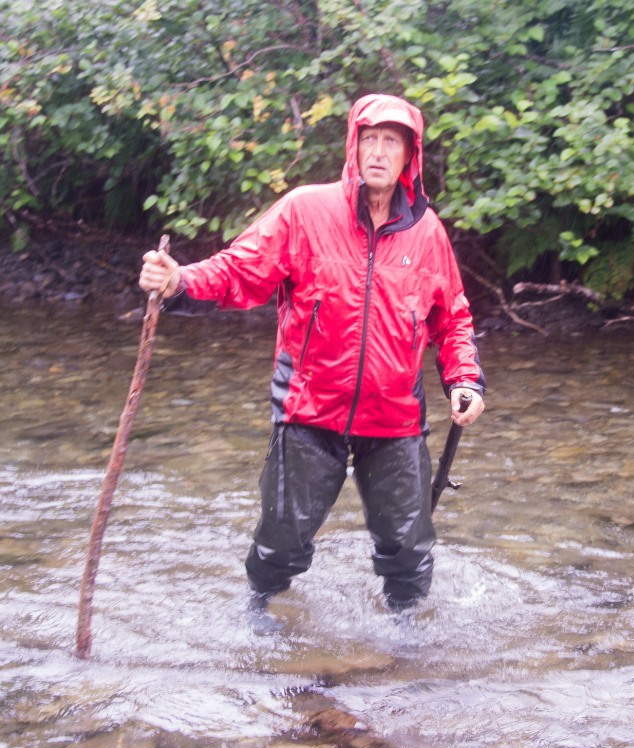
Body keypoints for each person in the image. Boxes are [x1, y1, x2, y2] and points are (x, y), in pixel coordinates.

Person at [139, 93, 486, 612]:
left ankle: (407, 649)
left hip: (394, 418)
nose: (378, 151)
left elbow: (451, 317)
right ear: (353, 145)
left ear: (409, 156)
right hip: (307, 410)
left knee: (409, 553)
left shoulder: (427, 232)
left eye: (391, 142)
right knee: (280, 543)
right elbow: (240, 271)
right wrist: (180, 281)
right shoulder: (305, 210)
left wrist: (464, 380)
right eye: (369, 139)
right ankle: (258, 619)